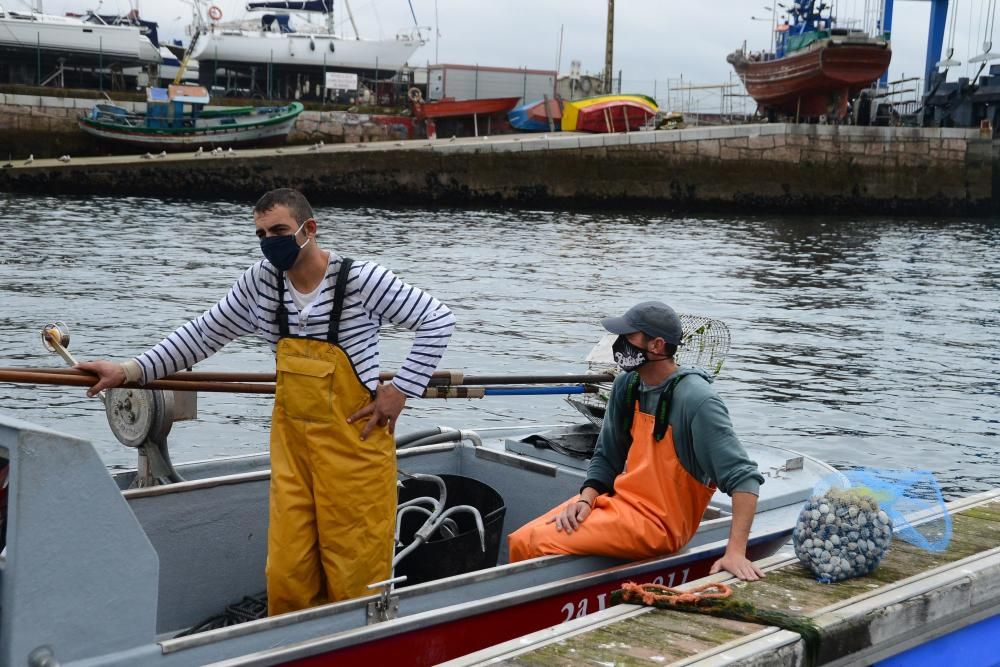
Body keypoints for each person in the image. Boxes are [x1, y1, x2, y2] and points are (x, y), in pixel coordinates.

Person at [78, 188, 456, 614]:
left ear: (308, 229)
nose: (268, 241)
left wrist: (400, 389)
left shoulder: (359, 279)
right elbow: (202, 335)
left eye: (278, 230)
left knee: (356, 576)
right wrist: (129, 371)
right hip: (294, 452)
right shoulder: (261, 283)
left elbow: (437, 319)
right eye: (260, 234)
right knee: (287, 573)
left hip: (356, 452)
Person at [508, 301, 765, 581]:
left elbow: (744, 479)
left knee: (533, 544)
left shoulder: (698, 400)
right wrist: (586, 498)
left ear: (656, 345)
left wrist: (736, 553)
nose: (619, 344)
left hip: (659, 525)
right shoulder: (626, 385)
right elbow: (607, 456)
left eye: (628, 338)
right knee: (520, 539)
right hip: (620, 503)